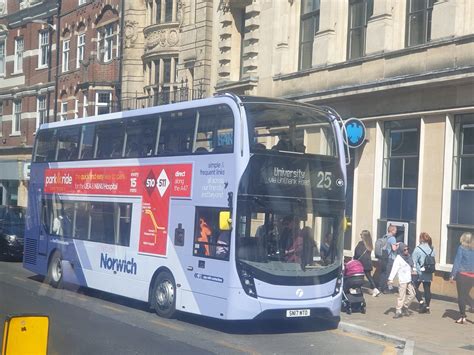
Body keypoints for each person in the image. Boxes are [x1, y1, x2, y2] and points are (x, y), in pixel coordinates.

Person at [450, 232, 474, 324]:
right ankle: (472, 305)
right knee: (465, 294)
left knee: (461, 296)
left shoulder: (461, 248)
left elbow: (457, 262)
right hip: (472, 276)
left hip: (462, 275)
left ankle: (462, 317)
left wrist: (452, 275)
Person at [388, 243, 417, 319]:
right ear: (401, 250)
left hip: (409, 280)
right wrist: (390, 279)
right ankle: (398, 311)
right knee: (401, 296)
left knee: (413, 294)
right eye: (404, 250)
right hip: (402, 280)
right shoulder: (398, 258)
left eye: (407, 249)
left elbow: (412, 265)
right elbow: (394, 269)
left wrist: (414, 271)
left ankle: (405, 306)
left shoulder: (409, 257)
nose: (406, 251)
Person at [412, 232, 435, 314]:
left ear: (421, 239)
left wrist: (414, 270)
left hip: (420, 272)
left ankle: (422, 303)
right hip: (429, 272)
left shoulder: (418, 249)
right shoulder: (432, 248)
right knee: (427, 289)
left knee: (413, 287)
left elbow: (413, 261)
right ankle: (428, 308)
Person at [354, 230, 379, 297]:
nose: (360, 235)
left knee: (358, 276)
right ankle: (375, 289)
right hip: (368, 263)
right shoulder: (369, 244)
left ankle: (357, 289)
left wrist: (354, 259)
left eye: (361, 234)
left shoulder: (361, 243)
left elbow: (357, 253)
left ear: (364, 236)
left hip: (361, 263)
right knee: (369, 276)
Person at [378, 225, 399, 294]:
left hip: (383, 257)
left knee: (383, 273)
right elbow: (394, 249)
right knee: (388, 274)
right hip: (390, 258)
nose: (396, 232)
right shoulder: (392, 238)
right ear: (392, 230)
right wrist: (398, 245)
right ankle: (385, 289)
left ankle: (380, 287)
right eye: (395, 230)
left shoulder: (385, 236)